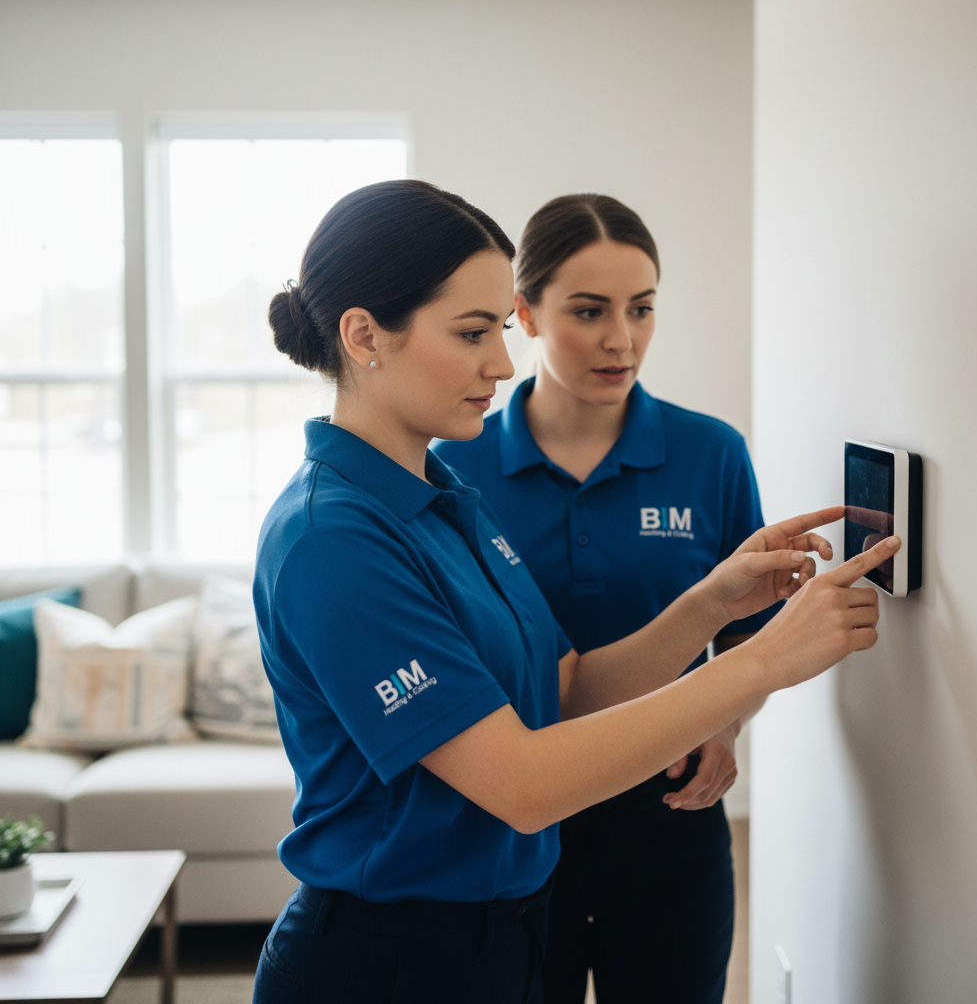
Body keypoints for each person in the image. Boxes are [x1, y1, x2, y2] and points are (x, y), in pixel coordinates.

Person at [251, 179, 897, 1004]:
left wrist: (714, 604)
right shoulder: (332, 538)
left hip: (501, 937)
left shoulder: (445, 495)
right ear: (365, 334)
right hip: (394, 959)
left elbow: (566, 688)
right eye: (475, 332)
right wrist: (764, 660)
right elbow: (523, 785)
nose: (501, 361)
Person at [432, 193, 771, 1003]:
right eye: (589, 311)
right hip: (517, 825)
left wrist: (724, 725)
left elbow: (753, 634)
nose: (622, 340)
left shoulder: (711, 453)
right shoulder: (454, 470)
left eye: (642, 308)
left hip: (670, 820)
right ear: (526, 313)